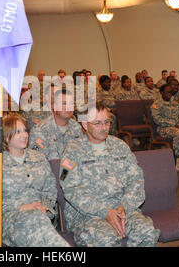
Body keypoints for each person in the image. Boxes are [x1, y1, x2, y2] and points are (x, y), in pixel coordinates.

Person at [60, 102, 160, 247]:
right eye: (98, 123)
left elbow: (136, 180)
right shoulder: (72, 151)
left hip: (124, 209)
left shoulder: (120, 146)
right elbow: (70, 189)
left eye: (107, 122)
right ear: (85, 125)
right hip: (88, 216)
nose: (105, 127)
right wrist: (105, 211)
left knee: (147, 233)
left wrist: (123, 207)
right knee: (106, 240)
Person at [0, 114, 70, 247]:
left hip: (40, 218)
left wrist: (44, 207)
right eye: (18, 132)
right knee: (37, 226)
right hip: (8, 221)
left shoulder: (39, 158)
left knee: (38, 227)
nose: (24, 135)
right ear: (7, 137)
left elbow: (51, 190)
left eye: (25, 130)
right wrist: (21, 207)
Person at [29, 89, 82, 160]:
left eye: (71, 103)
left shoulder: (76, 127)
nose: (69, 107)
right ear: (54, 106)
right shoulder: (40, 130)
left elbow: (81, 154)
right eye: (64, 103)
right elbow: (35, 159)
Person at [151, 84, 179, 174]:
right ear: (161, 92)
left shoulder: (175, 103)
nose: (169, 94)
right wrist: (175, 125)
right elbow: (158, 120)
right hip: (163, 129)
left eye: (171, 92)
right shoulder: (156, 104)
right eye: (167, 92)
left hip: (177, 127)